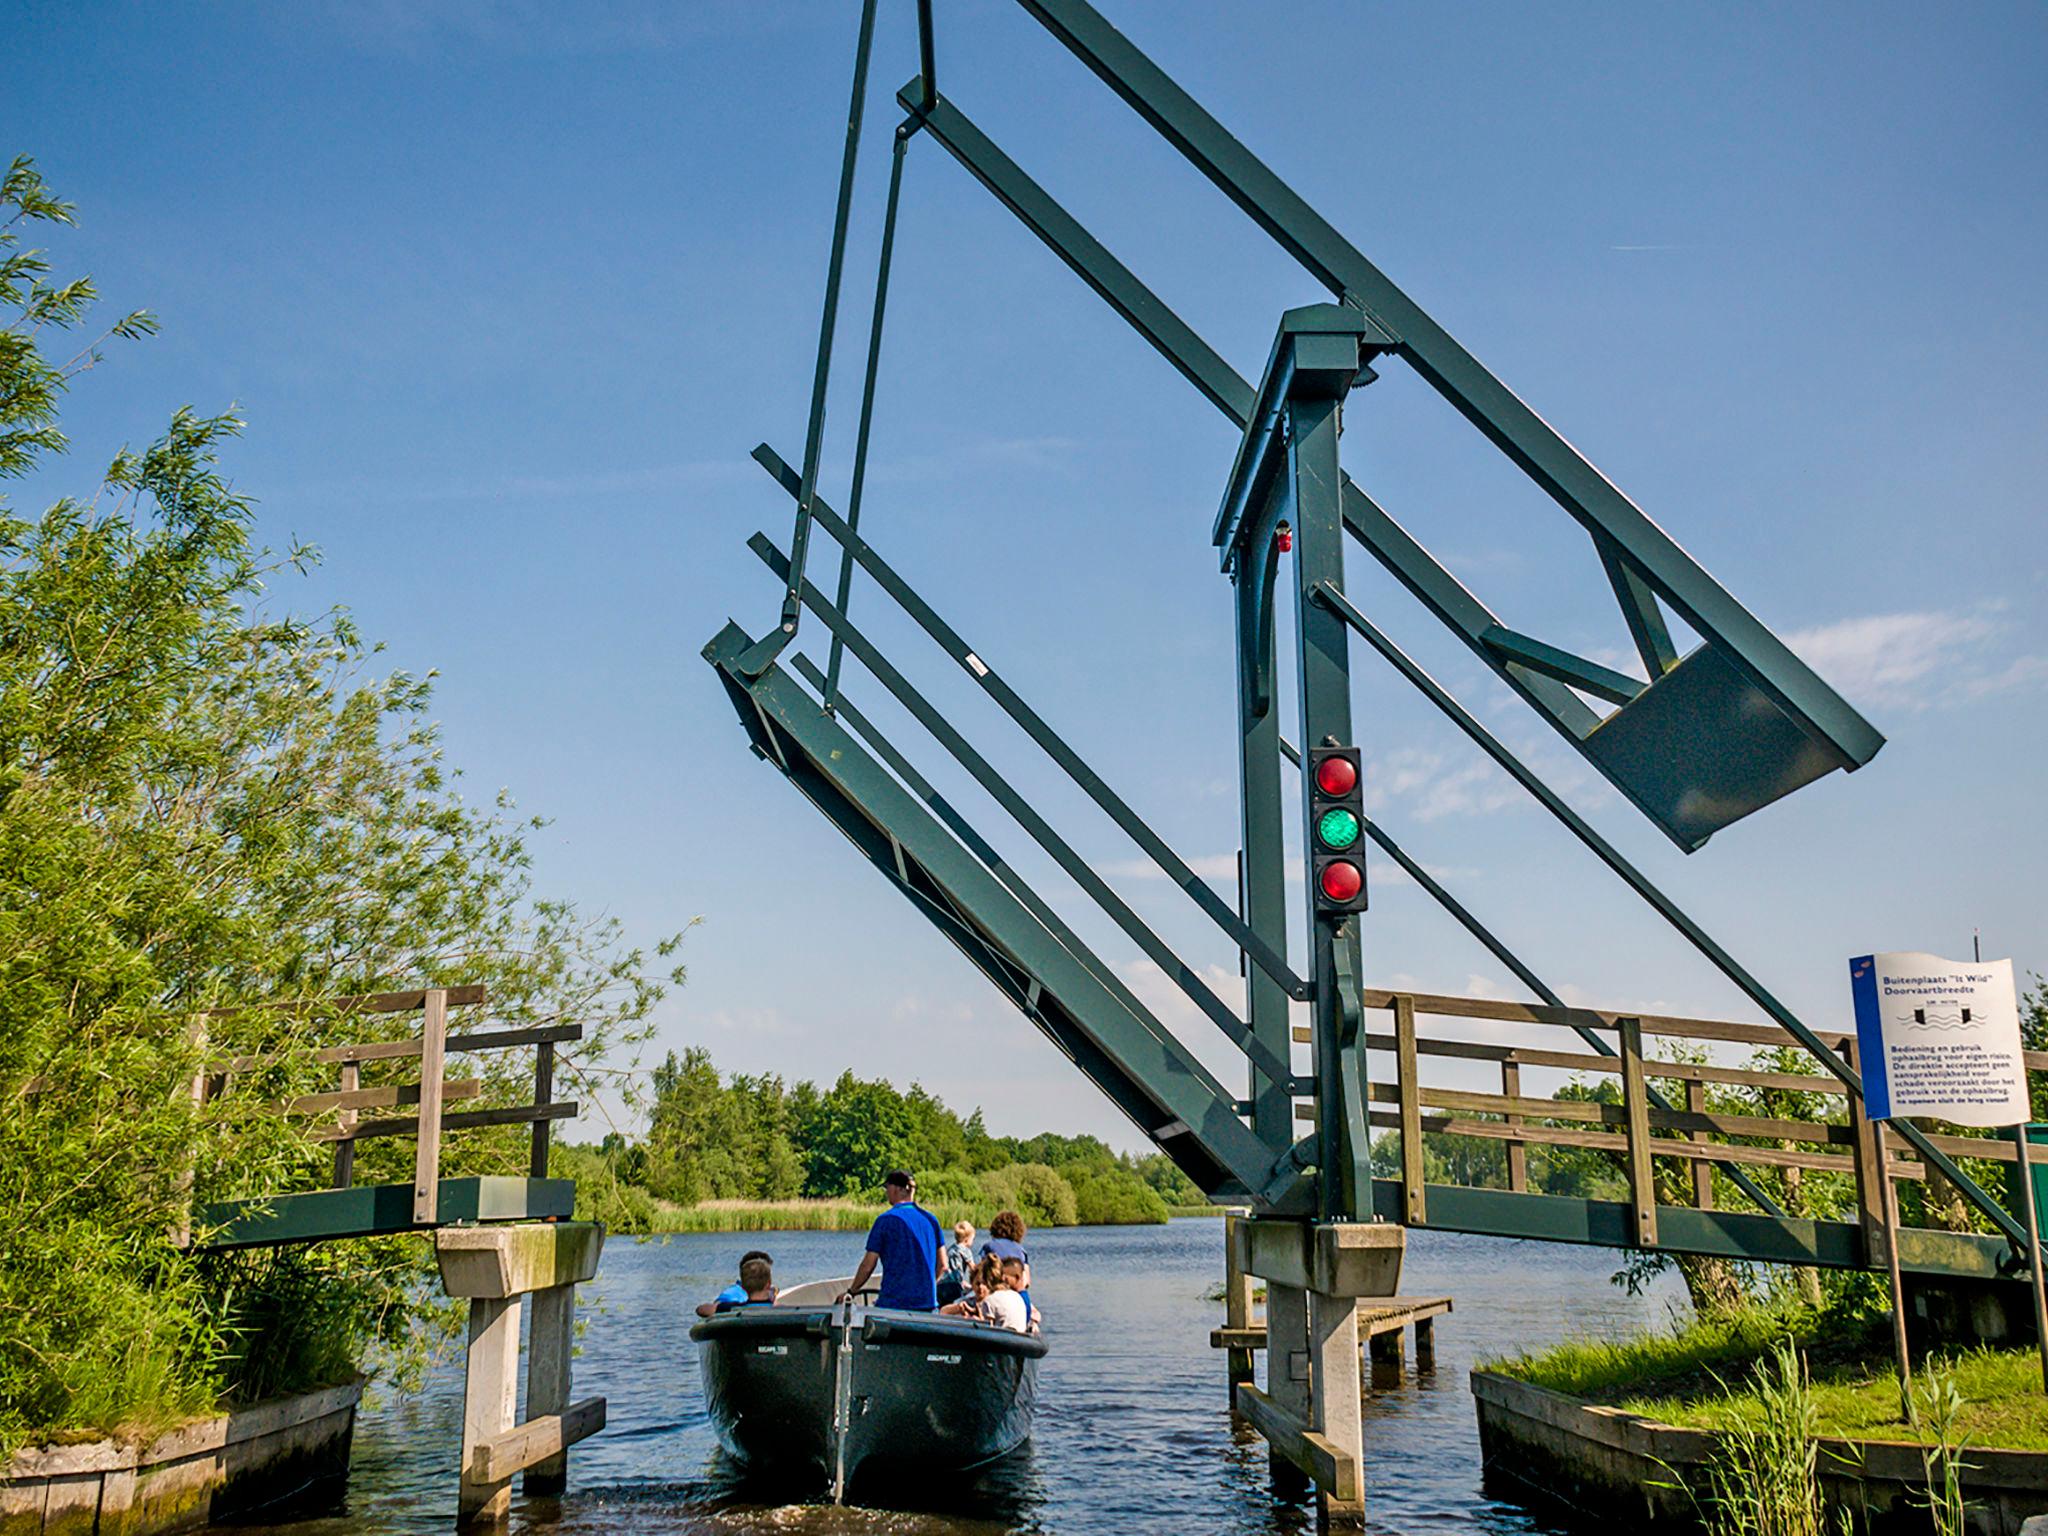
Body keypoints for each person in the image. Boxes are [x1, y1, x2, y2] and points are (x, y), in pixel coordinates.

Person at [839, 1170, 944, 1311]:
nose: (886, 1192)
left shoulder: (885, 1221)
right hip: (928, 1307)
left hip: (894, 1306)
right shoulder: (931, 1220)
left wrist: (852, 1291)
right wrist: (927, 1288)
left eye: (886, 1188)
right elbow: (943, 1264)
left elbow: (868, 1265)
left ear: (895, 1189)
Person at [981, 1210, 1035, 1322]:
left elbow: (982, 1272)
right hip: (1018, 1292)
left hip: (996, 1289)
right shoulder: (1021, 1250)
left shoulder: (989, 1246)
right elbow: (1027, 1281)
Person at [696, 1249, 772, 1318]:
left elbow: (701, 1309)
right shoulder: (779, 1309)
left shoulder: (732, 1308)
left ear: (743, 1286)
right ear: (768, 1284)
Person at [979, 1256, 1033, 1334]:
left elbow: (987, 1331)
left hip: (1003, 1340)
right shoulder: (1017, 1296)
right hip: (1020, 1339)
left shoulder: (989, 1300)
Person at [937, 1220, 975, 1306]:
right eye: (972, 1239)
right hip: (954, 1287)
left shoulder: (951, 1249)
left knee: (943, 1308)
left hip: (942, 1285)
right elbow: (973, 1268)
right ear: (967, 1240)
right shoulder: (966, 1251)